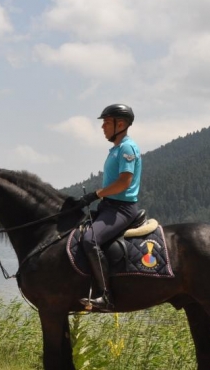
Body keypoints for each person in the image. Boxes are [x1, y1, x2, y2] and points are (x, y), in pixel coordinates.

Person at [76, 104, 142, 310]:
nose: (102, 127)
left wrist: (95, 194)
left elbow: (124, 183)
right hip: (109, 206)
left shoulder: (127, 148)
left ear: (120, 124)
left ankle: (106, 296)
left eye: (106, 122)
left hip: (122, 209)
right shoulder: (115, 149)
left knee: (90, 240)